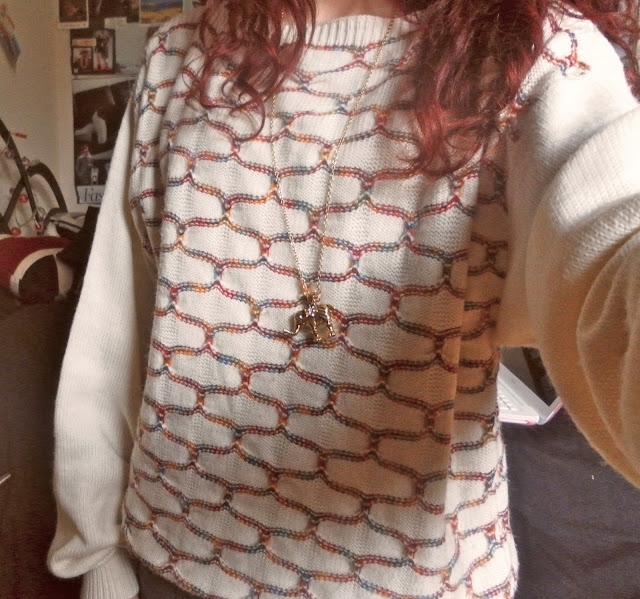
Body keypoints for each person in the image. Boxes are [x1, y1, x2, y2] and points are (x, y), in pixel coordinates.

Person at [47, 1, 640, 598]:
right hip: (172, 562)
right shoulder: (179, 54)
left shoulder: (541, 55)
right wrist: (97, 556)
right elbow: (116, 328)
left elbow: (609, 247)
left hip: (414, 582)